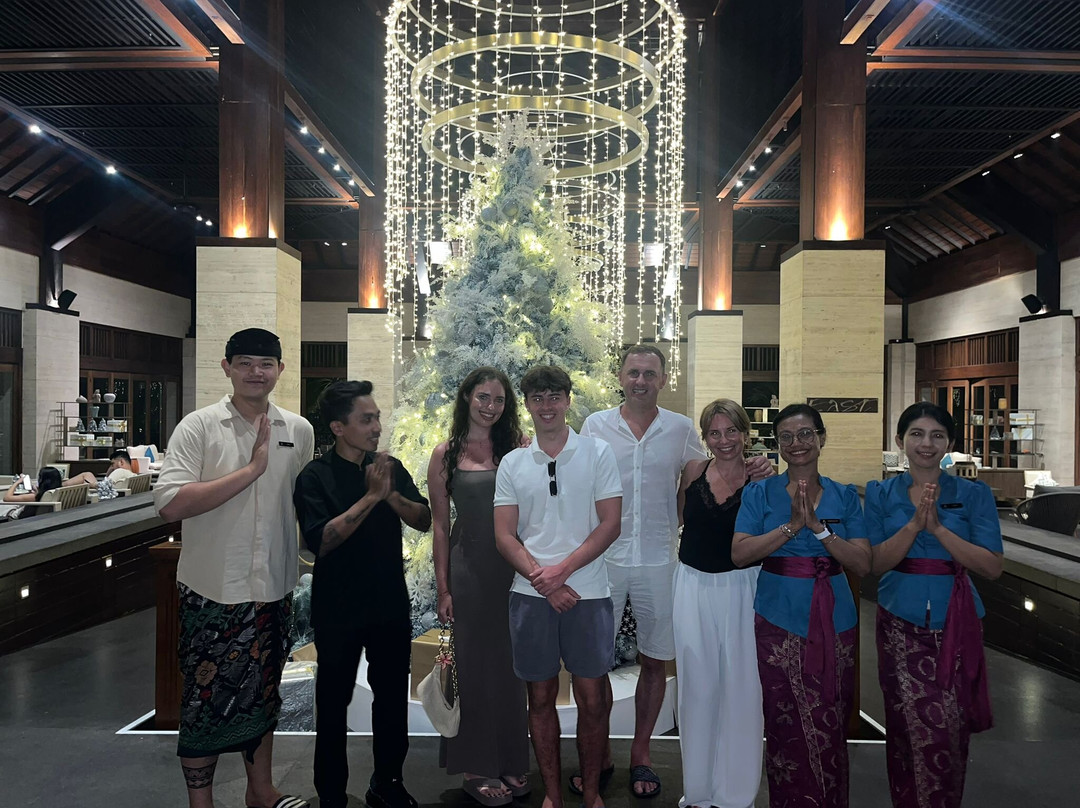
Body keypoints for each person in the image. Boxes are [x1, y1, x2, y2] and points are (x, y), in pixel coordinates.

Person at [579, 345, 771, 798]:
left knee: (655, 659)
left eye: (650, 373)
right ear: (620, 377)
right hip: (603, 561)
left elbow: (709, 472)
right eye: (633, 372)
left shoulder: (682, 429)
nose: (640, 381)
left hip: (662, 561)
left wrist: (757, 463)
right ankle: (598, 752)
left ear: (664, 379)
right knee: (595, 663)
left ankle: (641, 753)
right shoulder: (594, 426)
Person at [152, 328, 314, 808]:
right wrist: (251, 471)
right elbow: (169, 503)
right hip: (212, 590)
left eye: (266, 364)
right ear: (226, 367)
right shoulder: (199, 427)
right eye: (244, 362)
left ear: (280, 370)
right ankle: (200, 803)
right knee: (203, 701)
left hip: (274, 586)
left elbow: (304, 506)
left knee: (264, 694)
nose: (255, 372)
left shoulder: (298, 429)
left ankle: (260, 791)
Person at [293, 380, 432, 808]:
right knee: (333, 702)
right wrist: (372, 497)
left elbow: (424, 518)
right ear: (338, 427)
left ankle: (387, 783)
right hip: (338, 608)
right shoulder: (314, 477)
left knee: (390, 699)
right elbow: (322, 541)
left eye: (377, 418)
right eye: (366, 419)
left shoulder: (389, 467)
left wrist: (391, 495)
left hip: (389, 603)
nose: (376, 427)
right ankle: (331, 792)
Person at [494, 365, 622, 808]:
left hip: (589, 593)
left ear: (568, 400)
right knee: (540, 697)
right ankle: (552, 794)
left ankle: (591, 792)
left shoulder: (598, 453)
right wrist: (545, 582)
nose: (546, 406)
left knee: (592, 699)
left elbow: (610, 524)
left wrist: (561, 572)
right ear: (527, 405)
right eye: (537, 398)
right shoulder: (513, 462)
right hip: (530, 595)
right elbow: (505, 535)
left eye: (554, 396)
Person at [731, 403, 871, 808]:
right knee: (784, 721)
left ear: (821, 438)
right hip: (778, 617)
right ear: (778, 444)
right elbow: (740, 554)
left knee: (831, 717)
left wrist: (820, 530)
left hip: (835, 619)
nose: (797, 443)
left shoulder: (845, 495)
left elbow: (862, 563)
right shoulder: (759, 492)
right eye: (787, 437)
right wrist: (792, 526)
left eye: (806, 434)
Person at [865, 402, 1003, 808]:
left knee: (948, 728)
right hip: (899, 620)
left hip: (957, 621)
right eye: (917, 434)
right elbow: (874, 563)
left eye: (937, 435)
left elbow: (992, 566)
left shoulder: (974, 494)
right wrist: (913, 526)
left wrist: (939, 530)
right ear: (900, 440)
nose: (926, 443)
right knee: (906, 727)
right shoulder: (880, 493)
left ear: (950, 444)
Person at [427, 368, 530, 806]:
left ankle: (510, 758)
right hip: (469, 572)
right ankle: (475, 765)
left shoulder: (519, 449)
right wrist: (444, 589)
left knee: (511, 668)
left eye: (499, 399)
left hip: (515, 570)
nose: (491, 407)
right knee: (472, 668)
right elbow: (439, 525)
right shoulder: (445, 454)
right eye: (483, 397)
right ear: (467, 397)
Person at [672, 399, 764, 808]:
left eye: (731, 431)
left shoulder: (761, 476)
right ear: (705, 437)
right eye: (714, 432)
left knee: (743, 687)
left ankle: (736, 793)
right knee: (697, 687)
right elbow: (680, 518)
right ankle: (698, 790)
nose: (724, 440)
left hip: (744, 587)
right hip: (691, 585)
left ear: (745, 433)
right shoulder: (693, 471)